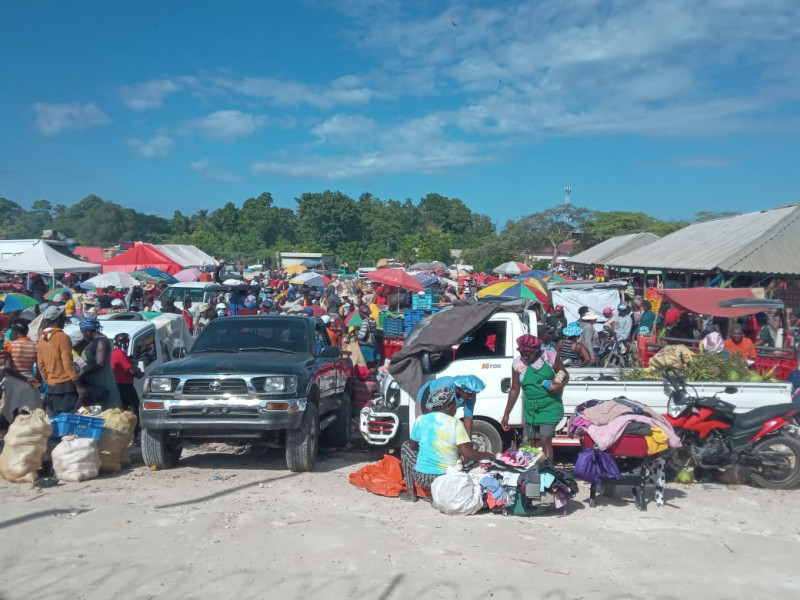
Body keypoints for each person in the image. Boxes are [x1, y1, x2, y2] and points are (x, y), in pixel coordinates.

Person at [399, 382, 494, 503]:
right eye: (454, 404)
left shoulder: (421, 420)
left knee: (405, 446)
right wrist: (488, 455)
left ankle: (410, 492)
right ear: (448, 405)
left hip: (422, 478)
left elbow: (412, 446)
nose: (455, 407)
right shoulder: (456, 423)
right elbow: (468, 453)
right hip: (447, 478)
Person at [501, 334, 570, 461]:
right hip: (531, 409)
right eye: (522, 353)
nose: (525, 357)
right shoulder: (517, 363)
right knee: (531, 442)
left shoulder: (549, 357)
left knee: (545, 439)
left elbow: (564, 374)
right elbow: (514, 390)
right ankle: (534, 469)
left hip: (550, 406)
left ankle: (548, 469)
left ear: (536, 350)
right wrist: (506, 414)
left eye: (528, 354)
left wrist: (558, 385)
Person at [37, 305, 88, 415]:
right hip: (66, 386)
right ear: (58, 320)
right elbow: (67, 362)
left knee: (56, 418)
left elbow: (40, 363)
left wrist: (48, 380)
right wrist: (78, 385)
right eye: (63, 318)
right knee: (70, 417)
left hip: (52, 387)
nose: (64, 321)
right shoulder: (62, 337)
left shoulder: (43, 337)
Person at [415, 375, 486, 437]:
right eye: (469, 394)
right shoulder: (444, 388)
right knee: (425, 429)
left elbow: (468, 418)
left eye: (474, 394)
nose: (471, 397)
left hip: (443, 408)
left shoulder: (470, 396)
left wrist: (468, 440)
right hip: (426, 399)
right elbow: (430, 409)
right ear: (461, 389)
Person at [2, 320, 43, 423]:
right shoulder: (35, 346)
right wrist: (36, 381)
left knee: (11, 411)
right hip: (30, 382)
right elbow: (40, 367)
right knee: (28, 412)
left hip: (12, 381)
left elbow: (8, 369)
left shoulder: (10, 345)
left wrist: (26, 379)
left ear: (15, 333)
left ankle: (11, 430)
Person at [77, 317, 122, 410]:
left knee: (107, 408)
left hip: (102, 379)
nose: (83, 335)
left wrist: (82, 375)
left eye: (83, 332)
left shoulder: (102, 341)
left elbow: (100, 363)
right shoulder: (93, 342)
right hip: (93, 380)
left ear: (88, 331)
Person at [111, 333, 144, 435]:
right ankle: (135, 431)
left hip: (117, 385)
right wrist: (139, 372)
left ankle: (126, 430)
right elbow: (131, 371)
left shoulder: (113, 353)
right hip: (124, 385)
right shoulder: (120, 354)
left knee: (124, 408)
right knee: (135, 406)